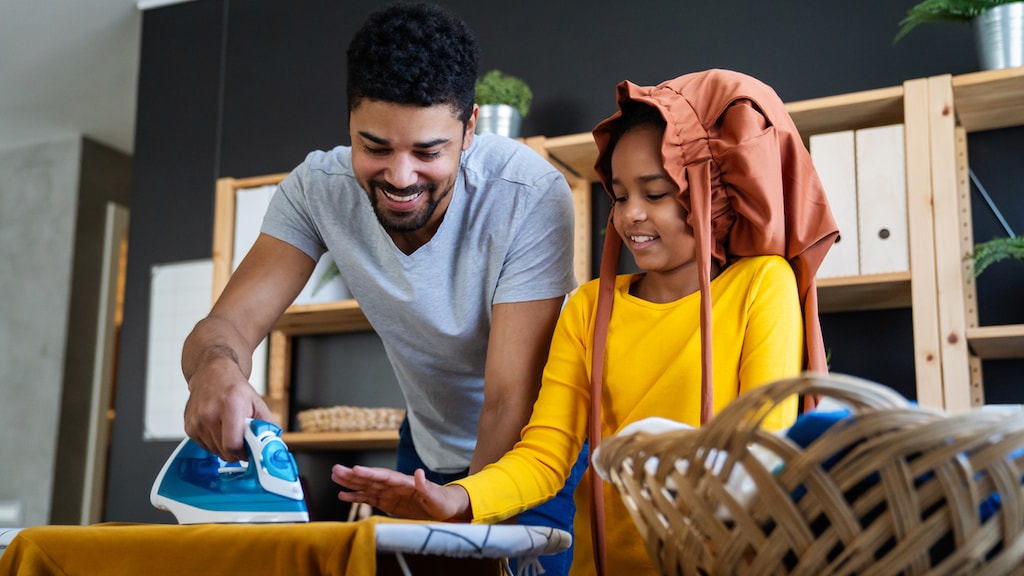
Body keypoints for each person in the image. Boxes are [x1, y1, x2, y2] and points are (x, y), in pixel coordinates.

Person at [330, 68, 840, 576]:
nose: (631, 214)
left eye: (656, 193)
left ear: (711, 191)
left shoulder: (761, 286)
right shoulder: (590, 306)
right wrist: (457, 498)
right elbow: (546, 456)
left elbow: (760, 456)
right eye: (619, 195)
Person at [180, 3, 585, 574]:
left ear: (469, 129)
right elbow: (223, 328)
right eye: (375, 148)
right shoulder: (317, 191)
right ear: (349, 123)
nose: (400, 177)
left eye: (428, 151)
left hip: (529, 457)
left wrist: (468, 512)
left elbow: (506, 401)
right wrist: (215, 371)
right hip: (422, 448)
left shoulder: (526, 193)